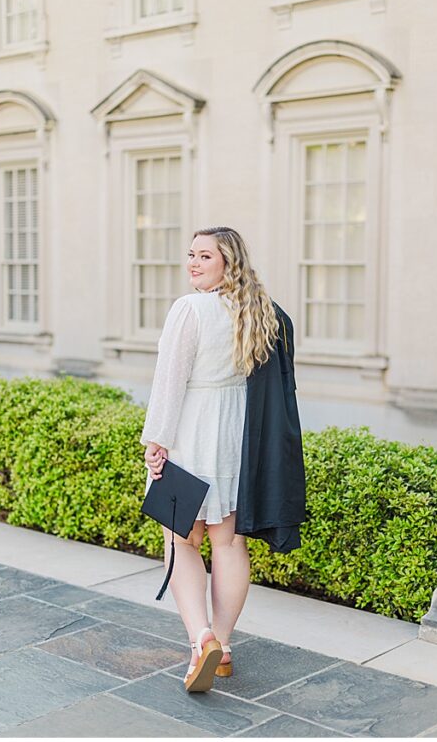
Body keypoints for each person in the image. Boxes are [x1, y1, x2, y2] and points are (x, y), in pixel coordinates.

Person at [140, 227, 282, 692]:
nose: (194, 263)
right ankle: (223, 646)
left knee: (182, 542)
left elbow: (170, 380)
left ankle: (201, 638)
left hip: (192, 432)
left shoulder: (190, 308)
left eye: (205, 256)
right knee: (228, 543)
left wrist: (156, 440)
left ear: (228, 263)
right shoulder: (257, 311)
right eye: (191, 254)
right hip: (236, 437)